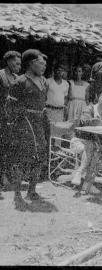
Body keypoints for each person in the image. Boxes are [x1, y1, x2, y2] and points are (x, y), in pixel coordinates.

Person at [8, 49, 48, 210]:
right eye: (41, 63)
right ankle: (17, 194)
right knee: (22, 157)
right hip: (24, 124)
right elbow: (10, 106)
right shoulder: (20, 82)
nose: (44, 66)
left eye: (45, 64)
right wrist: (21, 117)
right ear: (31, 63)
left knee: (40, 155)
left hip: (40, 122)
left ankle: (31, 190)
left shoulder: (44, 81)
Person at [0, 51, 21, 192]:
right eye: (16, 63)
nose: (18, 66)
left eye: (20, 64)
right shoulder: (0, 75)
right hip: (1, 115)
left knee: (9, 147)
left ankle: (6, 176)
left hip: (12, 117)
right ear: (8, 61)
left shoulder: (17, 78)